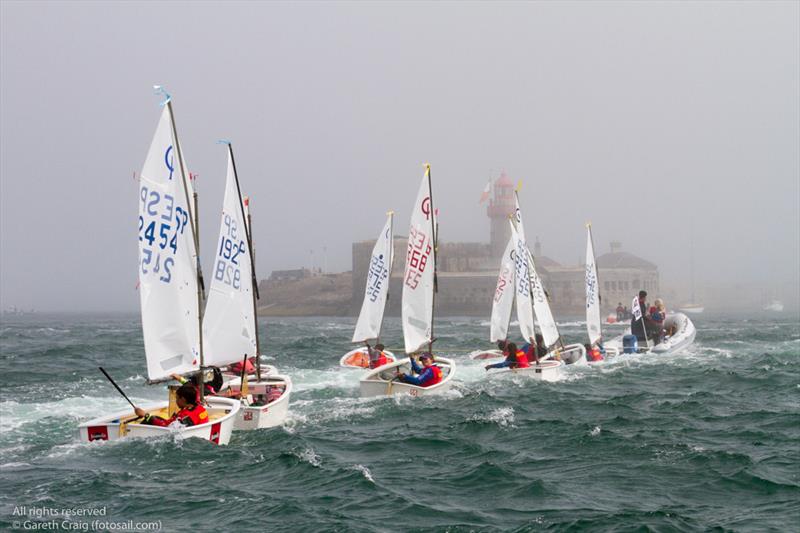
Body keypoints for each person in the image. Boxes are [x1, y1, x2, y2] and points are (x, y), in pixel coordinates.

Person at [135, 384, 208, 427]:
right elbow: (194, 390)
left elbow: (165, 426)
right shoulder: (199, 406)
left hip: (183, 432)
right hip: (198, 429)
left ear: (183, 399)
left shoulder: (183, 417)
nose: (176, 401)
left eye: (177, 398)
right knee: (154, 417)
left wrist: (145, 415)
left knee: (150, 419)